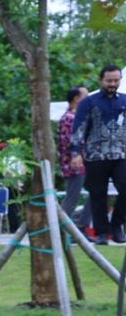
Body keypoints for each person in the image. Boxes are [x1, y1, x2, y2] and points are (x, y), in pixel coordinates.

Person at [71, 66, 126, 244]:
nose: (113, 84)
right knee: (97, 194)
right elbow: (79, 127)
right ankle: (102, 233)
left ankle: (117, 226)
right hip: (95, 156)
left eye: (116, 80)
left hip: (121, 154)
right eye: (109, 80)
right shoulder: (88, 102)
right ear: (101, 80)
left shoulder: (125, 100)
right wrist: (75, 152)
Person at [57, 85, 89, 229]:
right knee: (72, 198)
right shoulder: (69, 118)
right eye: (85, 96)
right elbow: (68, 142)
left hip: (85, 162)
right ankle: (62, 229)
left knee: (96, 193)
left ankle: (80, 225)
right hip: (74, 164)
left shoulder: (79, 116)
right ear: (77, 99)